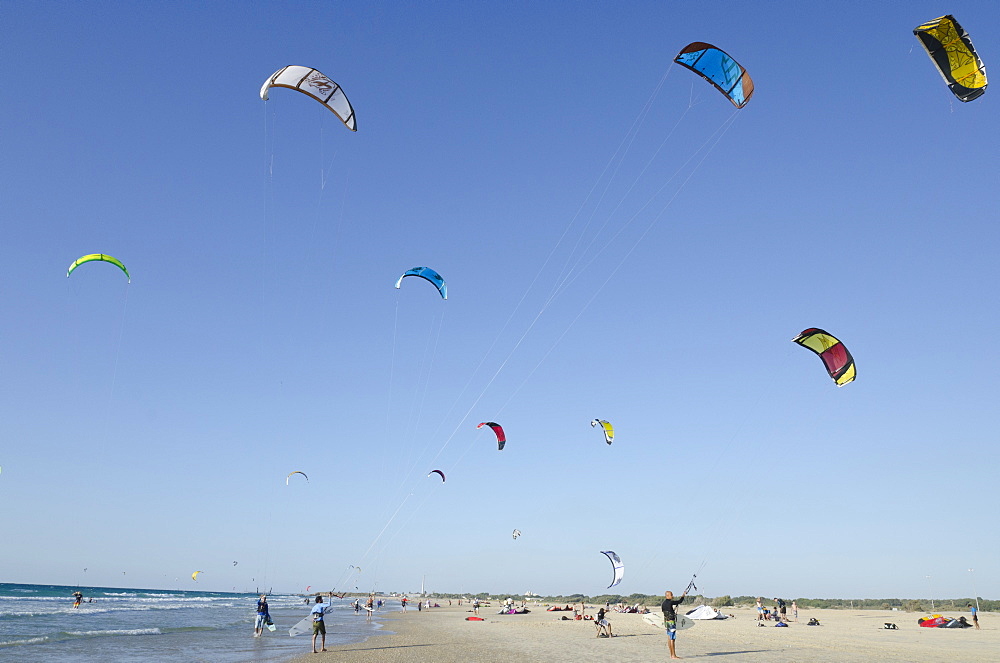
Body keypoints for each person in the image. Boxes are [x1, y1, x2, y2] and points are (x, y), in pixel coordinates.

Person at [661, 588, 689, 660]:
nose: (672, 596)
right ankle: (673, 655)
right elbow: (679, 601)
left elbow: (667, 612)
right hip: (671, 622)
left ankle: (671, 655)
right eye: (671, 595)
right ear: (667, 596)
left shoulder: (663, 603)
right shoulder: (670, 602)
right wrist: (683, 595)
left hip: (666, 622)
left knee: (669, 637)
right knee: (672, 639)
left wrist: (672, 611)